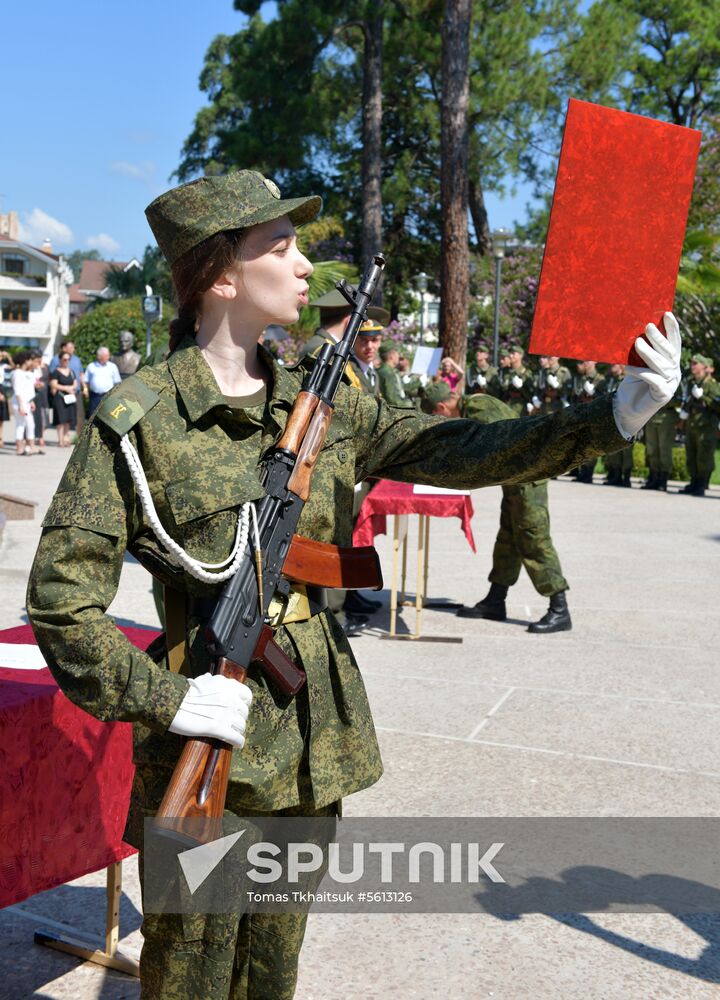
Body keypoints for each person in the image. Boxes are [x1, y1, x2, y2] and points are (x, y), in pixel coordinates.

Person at [26, 169, 682, 1000]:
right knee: (188, 972)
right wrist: (165, 699)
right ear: (221, 276)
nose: (305, 266)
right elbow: (60, 601)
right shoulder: (139, 418)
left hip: (308, 735)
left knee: (272, 971)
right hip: (209, 727)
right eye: (282, 246)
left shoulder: (323, 404)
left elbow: (459, 451)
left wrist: (614, 415)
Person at [422, 383, 572, 633]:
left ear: (442, 407)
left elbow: (498, 445)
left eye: (437, 417)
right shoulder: (474, 403)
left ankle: (559, 607)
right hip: (517, 477)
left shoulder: (477, 408)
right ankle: (496, 600)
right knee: (509, 537)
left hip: (527, 475)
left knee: (533, 537)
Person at [678, 353, 720, 497]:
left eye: (695, 363)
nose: (692, 366)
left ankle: (702, 484)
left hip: (706, 426)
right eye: (692, 363)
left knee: (704, 456)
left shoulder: (711, 384)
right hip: (692, 424)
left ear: (704, 366)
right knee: (691, 455)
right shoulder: (692, 382)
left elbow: (718, 406)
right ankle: (694, 481)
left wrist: (703, 397)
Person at [570, 361, 606, 482]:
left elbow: (605, 398)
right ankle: (582, 471)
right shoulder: (581, 378)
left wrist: (594, 393)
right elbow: (575, 395)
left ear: (594, 362)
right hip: (581, 414)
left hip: (593, 415)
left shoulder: (600, 379)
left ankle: (589, 473)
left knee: (590, 444)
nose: (584, 364)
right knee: (581, 444)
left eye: (586, 361)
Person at [602, 364, 634, 487]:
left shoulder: (628, 380)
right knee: (614, 448)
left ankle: (626, 477)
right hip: (614, 417)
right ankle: (615, 475)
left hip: (627, 418)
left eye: (614, 365)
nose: (611, 367)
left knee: (626, 450)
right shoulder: (611, 380)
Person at [50, 351, 79, 447]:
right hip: (60, 397)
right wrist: (66, 388)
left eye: (68, 359)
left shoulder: (71, 372)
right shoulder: (56, 372)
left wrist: (72, 388)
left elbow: (75, 383)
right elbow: (54, 384)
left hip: (70, 398)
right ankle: (60, 440)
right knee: (60, 419)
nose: (66, 361)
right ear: (60, 360)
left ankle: (66, 438)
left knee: (68, 419)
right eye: (65, 359)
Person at [10, 351, 37, 455]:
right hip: (19, 403)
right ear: (25, 361)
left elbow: (27, 390)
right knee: (26, 424)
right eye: (30, 359)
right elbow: (17, 391)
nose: (31, 362)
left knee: (24, 424)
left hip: (25, 402)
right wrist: (21, 405)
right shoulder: (17, 373)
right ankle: (22, 448)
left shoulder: (25, 373)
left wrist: (31, 401)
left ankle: (24, 448)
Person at [83, 346, 122, 415]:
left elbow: (117, 382)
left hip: (108, 396)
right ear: (99, 356)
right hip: (94, 396)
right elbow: (86, 381)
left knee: (107, 416)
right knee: (93, 416)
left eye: (108, 355)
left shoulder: (112, 366)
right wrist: (85, 390)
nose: (108, 357)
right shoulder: (91, 366)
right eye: (106, 355)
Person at [349, 318, 383, 394]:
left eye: (374, 340)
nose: (369, 346)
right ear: (353, 341)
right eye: (363, 340)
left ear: (380, 341)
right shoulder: (347, 369)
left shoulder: (373, 372)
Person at [499, 344, 534, 416]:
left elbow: (531, 395)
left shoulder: (526, 373)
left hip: (520, 409)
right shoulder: (505, 372)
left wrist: (521, 388)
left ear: (520, 355)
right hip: (505, 408)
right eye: (510, 353)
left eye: (513, 353)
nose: (510, 356)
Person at [377, 341, 415, 408]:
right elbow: (392, 399)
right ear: (391, 356)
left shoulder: (386, 370)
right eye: (397, 354)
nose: (398, 356)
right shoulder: (388, 373)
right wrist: (407, 405)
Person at [30, 350, 49, 453]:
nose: (39, 359)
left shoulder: (45, 367)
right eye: (37, 357)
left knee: (42, 417)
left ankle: (39, 436)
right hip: (34, 395)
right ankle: (33, 439)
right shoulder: (33, 369)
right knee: (33, 418)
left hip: (43, 395)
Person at [0, 349, 15, 447]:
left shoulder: (3, 366)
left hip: (2, 389)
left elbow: (14, 366)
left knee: (1, 418)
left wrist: (8, 356)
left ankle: (1, 438)